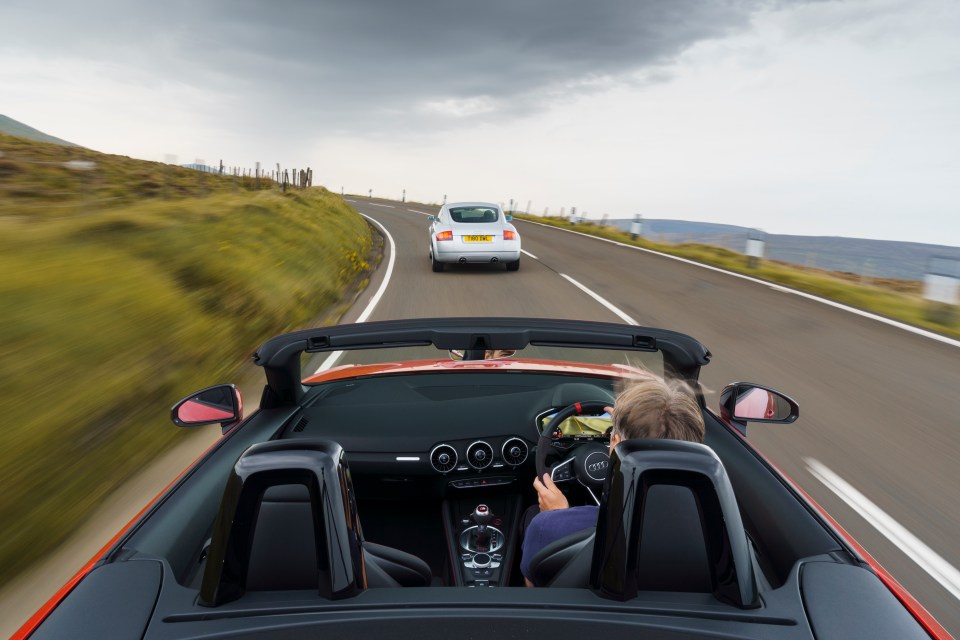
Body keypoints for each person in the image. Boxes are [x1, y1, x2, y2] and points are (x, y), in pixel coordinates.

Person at [520, 376, 706, 586]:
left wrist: (557, 516)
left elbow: (533, 590)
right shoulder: (715, 532)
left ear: (616, 443)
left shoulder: (549, 528)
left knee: (532, 514)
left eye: (611, 434)